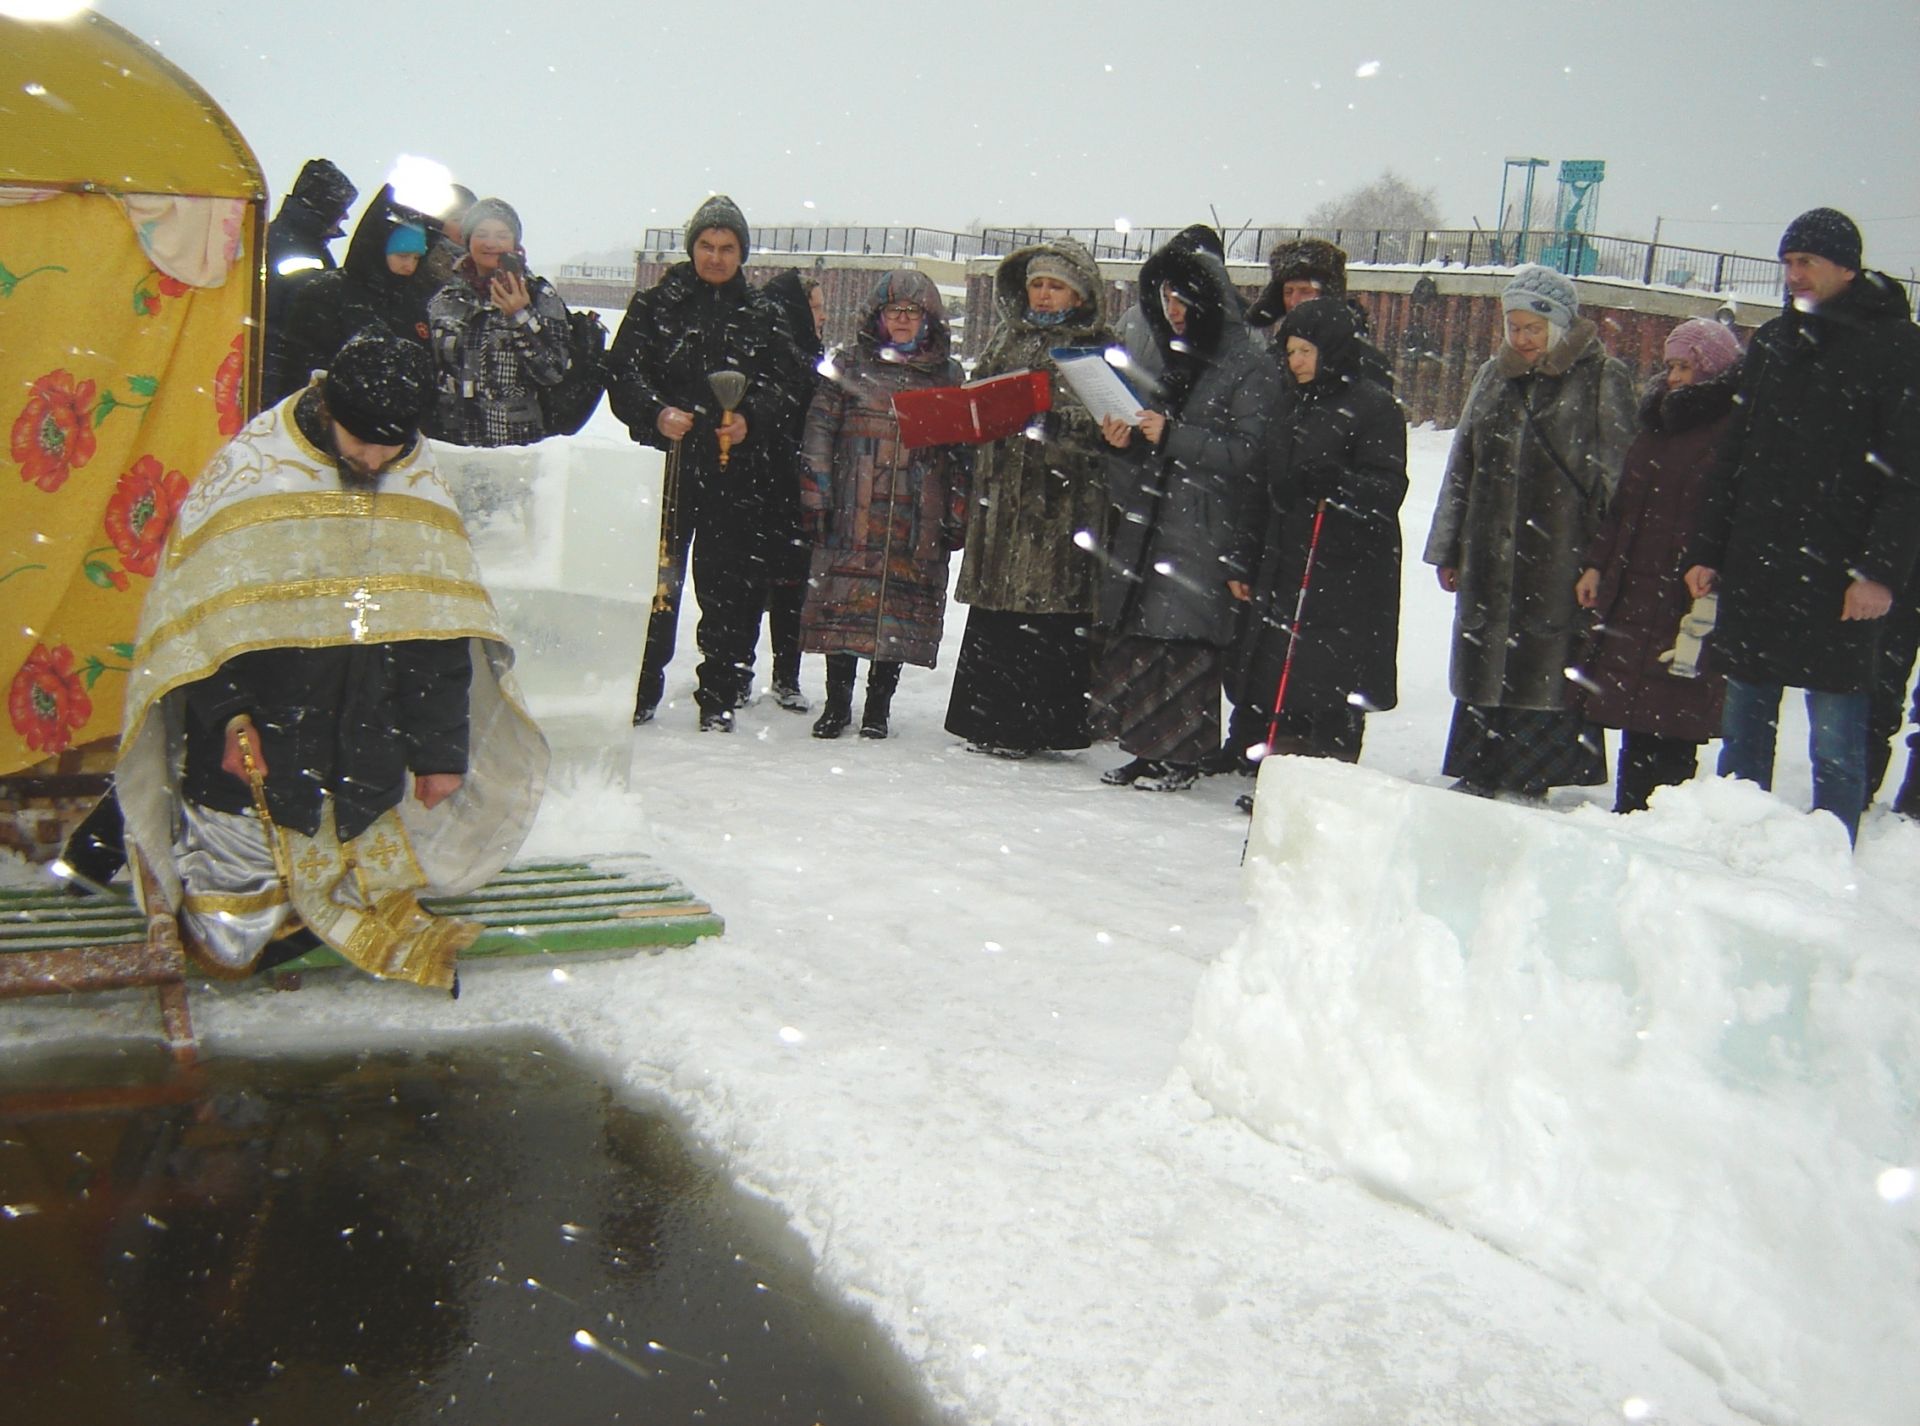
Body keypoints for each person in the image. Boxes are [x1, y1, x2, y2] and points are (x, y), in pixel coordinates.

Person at [114, 330, 549, 991]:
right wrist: (228, 717)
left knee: (377, 890)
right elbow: (198, 626)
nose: (374, 458)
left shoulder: (416, 484)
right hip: (252, 755)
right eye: (360, 440)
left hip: (362, 754)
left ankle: (312, 902)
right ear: (328, 408)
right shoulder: (252, 474)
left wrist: (436, 754)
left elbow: (435, 636)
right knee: (231, 938)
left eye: (391, 443)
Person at [1683, 208, 1920, 842]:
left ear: (1847, 266)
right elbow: (1736, 454)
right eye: (1788, 263)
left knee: (1838, 734)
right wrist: (1709, 547)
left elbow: (1906, 476)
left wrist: (1877, 573)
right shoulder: (1775, 344)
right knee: (1744, 725)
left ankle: (1829, 854)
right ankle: (1731, 840)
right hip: (1761, 562)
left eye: (1807, 262)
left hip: (1840, 570)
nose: (1794, 276)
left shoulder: (1896, 347)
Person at [1423, 264, 1634, 801]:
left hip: (1560, 554)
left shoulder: (1601, 378)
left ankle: (1534, 768)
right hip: (1488, 554)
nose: (1521, 338)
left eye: (1532, 328)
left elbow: (1618, 478)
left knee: (1546, 659)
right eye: (1513, 326)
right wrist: (1449, 546)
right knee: (1486, 652)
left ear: (1559, 326)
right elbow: (1462, 463)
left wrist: (1602, 560)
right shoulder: (1494, 376)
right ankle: (1481, 762)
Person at [606, 195, 804, 730]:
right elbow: (623, 374)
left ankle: (720, 689)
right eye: (706, 246)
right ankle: (640, 686)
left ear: (742, 253)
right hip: (668, 469)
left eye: (727, 248)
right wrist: (656, 412)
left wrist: (750, 421)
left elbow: (786, 386)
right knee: (657, 582)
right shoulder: (655, 306)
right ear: (691, 247)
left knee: (729, 588)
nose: (715, 258)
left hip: (735, 473)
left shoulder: (764, 313)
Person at [1096, 241, 1278, 792]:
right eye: (1165, 299)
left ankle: (1183, 753)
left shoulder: (1247, 364)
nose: (1173, 310)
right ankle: (1145, 747)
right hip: (1160, 512)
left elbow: (1250, 451)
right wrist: (1125, 442)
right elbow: (1160, 439)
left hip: (1207, 520)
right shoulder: (1179, 361)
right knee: (1150, 635)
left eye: (1182, 298)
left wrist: (1174, 436)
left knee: (1188, 640)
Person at [945, 239, 1116, 759]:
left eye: (1055, 286)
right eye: (1037, 285)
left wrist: (1057, 424)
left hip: (1059, 504)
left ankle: (1040, 726)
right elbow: (980, 396)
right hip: (1002, 501)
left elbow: (1113, 425)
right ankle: (990, 719)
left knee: (1049, 617)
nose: (1043, 295)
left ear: (1080, 294)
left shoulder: (1096, 348)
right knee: (998, 614)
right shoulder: (1006, 338)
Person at [1228, 297, 1406, 790]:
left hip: (1344, 567)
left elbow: (1389, 488)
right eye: (1290, 352)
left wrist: (1340, 483)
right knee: (1280, 665)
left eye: (1306, 351)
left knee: (1328, 675)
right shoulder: (1289, 404)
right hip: (1286, 557)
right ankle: (1278, 769)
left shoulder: (1373, 407)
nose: (1296, 362)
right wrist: (1244, 555)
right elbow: (1260, 487)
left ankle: (1322, 775)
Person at [1572, 317, 1741, 813]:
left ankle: (1665, 813)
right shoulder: (1659, 422)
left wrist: (1711, 563)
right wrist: (1597, 565)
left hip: (1687, 587)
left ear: (1711, 367)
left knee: (1675, 705)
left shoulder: (1731, 429)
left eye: (1685, 366)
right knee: (1638, 709)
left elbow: (1731, 509)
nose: (1674, 376)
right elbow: (1622, 504)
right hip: (1636, 580)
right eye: (1670, 365)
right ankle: (1632, 806)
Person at [798, 270, 968, 740]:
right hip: (852, 509)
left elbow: (961, 452)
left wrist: (956, 511)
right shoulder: (848, 366)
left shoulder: (948, 377)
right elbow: (818, 432)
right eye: (894, 311)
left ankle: (879, 706)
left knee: (898, 611)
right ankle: (837, 703)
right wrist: (817, 492)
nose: (902, 320)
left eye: (913, 312)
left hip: (917, 513)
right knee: (843, 605)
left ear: (929, 319)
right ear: (877, 316)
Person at [425, 197, 572, 447]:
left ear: (515, 244)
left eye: (502, 235)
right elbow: (431, 368)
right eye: (482, 233)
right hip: (450, 443)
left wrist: (520, 315)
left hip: (515, 444)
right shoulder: (446, 296)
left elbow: (553, 372)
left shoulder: (539, 294)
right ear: (468, 240)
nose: (491, 243)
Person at [270, 185, 434, 407]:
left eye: (416, 258)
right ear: (379, 249)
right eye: (403, 255)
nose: (409, 266)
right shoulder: (327, 293)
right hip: (333, 419)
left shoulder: (413, 303)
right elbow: (299, 368)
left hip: (396, 426)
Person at [758, 268, 828, 714]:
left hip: (796, 489)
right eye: (815, 308)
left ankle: (787, 675)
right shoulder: (774, 351)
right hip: (762, 485)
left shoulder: (812, 353)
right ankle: (739, 670)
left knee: (791, 588)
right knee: (750, 587)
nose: (821, 317)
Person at [264, 158, 356, 406]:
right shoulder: (301, 251)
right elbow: (309, 321)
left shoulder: (279, 237)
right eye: (341, 207)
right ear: (323, 206)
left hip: (275, 372)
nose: (346, 215)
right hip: (287, 378)